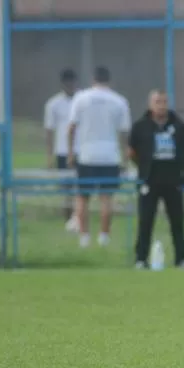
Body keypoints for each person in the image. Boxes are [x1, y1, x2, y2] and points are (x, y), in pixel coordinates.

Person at [67, 66, 132, 248]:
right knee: (106, 198)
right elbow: (124, 133)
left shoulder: (81, 98)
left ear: (93, 79)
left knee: (82, 197)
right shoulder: (119, 101)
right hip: (110, 155)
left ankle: (84, 237)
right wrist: (125, 160)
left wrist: (71, 153)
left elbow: (71, 128)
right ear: (109, 81)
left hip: (87, 154)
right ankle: (104, 236)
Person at [128, 89, 184, 269]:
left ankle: (182, 258)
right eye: (157, 102)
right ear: (150, 104)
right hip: (150, 179)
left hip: (173, 180)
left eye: (164, 102)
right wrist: (142, 166)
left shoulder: (178, 126)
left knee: (177, 222)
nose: (161, 106)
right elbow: (132, 152)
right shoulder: (140, 126)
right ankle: (141, 259)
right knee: (146, 221)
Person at [43, 68, 79, 231]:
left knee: (80, 186)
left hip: (81, 150)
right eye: (67, 83)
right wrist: (49, 156)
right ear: (62, 84)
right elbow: (49, 131)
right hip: (62, 151)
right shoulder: (53, 104)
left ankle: (78, 217)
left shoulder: (82, 100)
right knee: (65, 187)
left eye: (72, 82)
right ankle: (68, 218)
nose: (70, 85)